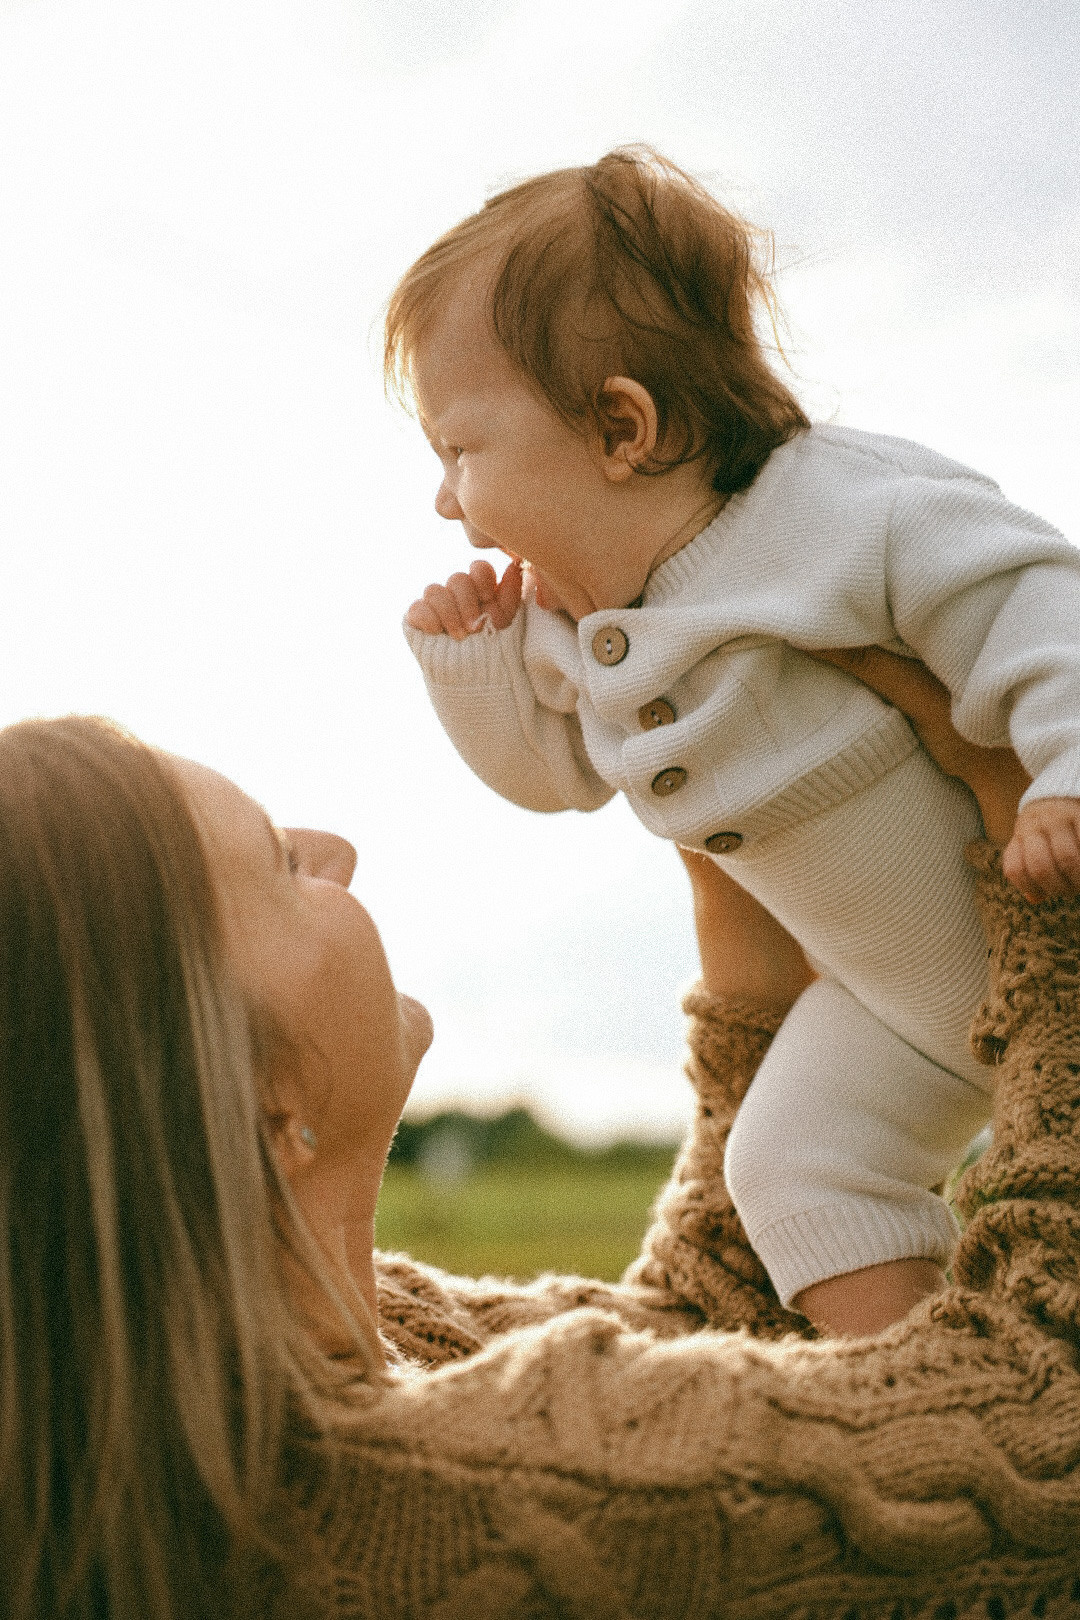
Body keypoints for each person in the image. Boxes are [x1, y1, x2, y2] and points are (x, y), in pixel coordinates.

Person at [5, 656, 1080, 1618]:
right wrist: (1052, 926)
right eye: (282, 863)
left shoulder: (272, 1376)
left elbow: (706, 1334)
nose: (337, 851)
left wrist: (748, 985)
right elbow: (1041, 1419)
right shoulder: (460, 1500)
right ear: (251, 1097)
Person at [391, 145, 1080, 1333]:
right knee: (794, 1173)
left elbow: (1031, 602)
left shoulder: (838, 512)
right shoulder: (575, 624)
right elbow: (557, 780)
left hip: (1034, 916)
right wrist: (471, 671)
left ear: (621, 426)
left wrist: (1065, 771)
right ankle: (903, 1381)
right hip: (885, 1000)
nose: (446, 499)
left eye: (460, 450)